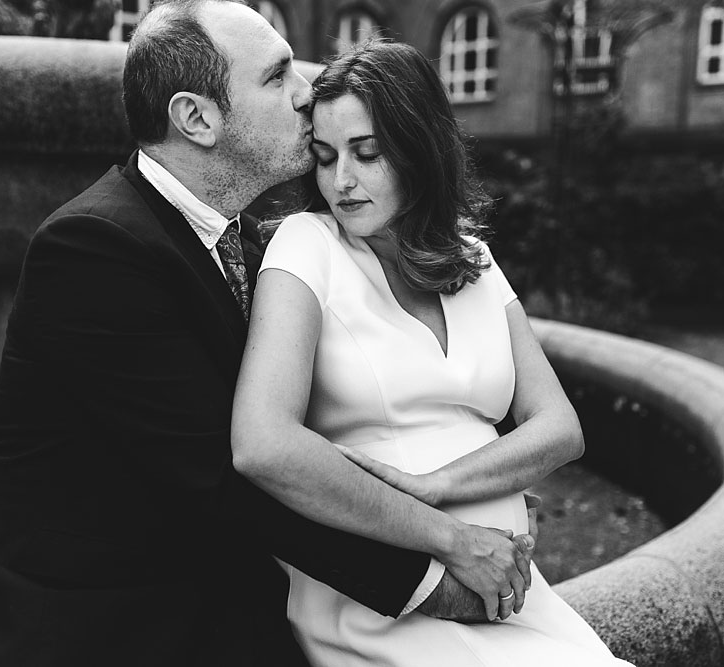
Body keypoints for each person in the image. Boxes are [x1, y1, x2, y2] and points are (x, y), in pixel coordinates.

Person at [0, 3, 535, 666]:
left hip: (207, 580)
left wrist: (470, 474)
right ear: (197, 118)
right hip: (76, 616)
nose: (307, 91)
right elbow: (225, 473)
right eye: (277, 77)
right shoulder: (93, 249)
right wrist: (436, 573)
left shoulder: (245, 239)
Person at [231, 40, 636, 666]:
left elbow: (559, 427)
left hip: (505, 590)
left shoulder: (470, 257)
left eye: (367, 153)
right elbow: (263, 442)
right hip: (386, 596)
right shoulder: (306, 245)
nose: (342, 180)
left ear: (419, 147)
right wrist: (440, 523)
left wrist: (441, 483)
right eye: (325, 156)